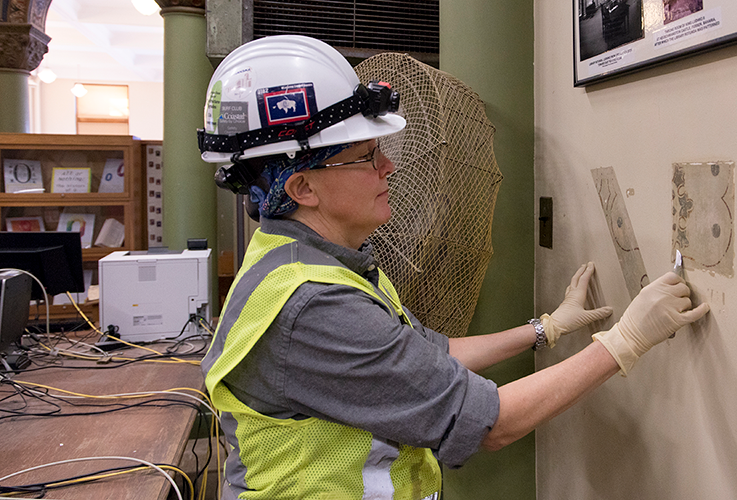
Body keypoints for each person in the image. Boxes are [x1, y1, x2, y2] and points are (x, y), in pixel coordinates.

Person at [198, 35, 710, 500]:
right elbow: (491, 423)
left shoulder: (312, 261)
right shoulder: (312, 304)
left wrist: (544, 329)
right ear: (302, 188)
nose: (389, 167)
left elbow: (430, 356)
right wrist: (626, 341)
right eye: (364, 156)